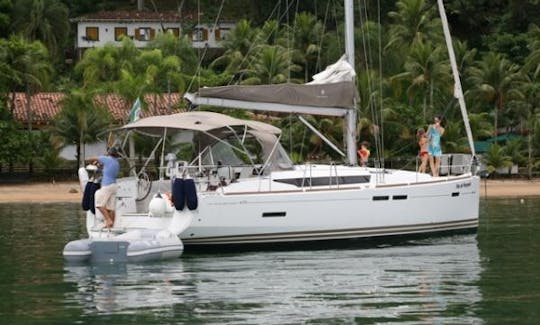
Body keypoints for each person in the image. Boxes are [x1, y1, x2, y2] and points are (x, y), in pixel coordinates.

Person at [89, 147, 120, 229]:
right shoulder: (116, 163)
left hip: (107, 185)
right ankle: (111, 225)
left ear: (109, 153)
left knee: (99, 204)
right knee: (111, 208)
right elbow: (107, 168)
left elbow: (91, 158)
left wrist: (95, 161)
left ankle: (108, 220)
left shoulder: (106, 159)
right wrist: (100, 163)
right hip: (114, 186)